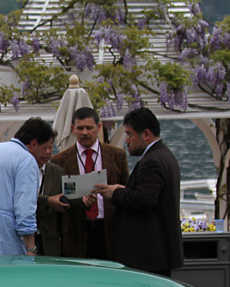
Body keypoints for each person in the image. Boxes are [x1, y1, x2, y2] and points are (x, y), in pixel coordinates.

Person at [93, 107, 183, 276]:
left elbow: (144, 199)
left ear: (146, 134)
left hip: (147, 254)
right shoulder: (165, 155)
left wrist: (115, 193)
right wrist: (125, 190)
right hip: (157, 253)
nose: (127, 140)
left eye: (129, 134)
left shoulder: (152, 161)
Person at [0, 117, 56, 256]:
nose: (48, 153)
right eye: (45, 147)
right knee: (10, 276)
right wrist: (31, 248)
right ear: (33, 144)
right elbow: (25, 207)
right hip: (1, 230)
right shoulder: (26, 160)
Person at [50, 107, 129, 260]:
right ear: (73, 129)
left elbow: (127, 192)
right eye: (80, 128)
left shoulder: (117, 155)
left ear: (98, 128)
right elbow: (57, 199)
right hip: (76, 233)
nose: (85, 132)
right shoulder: (60, 160)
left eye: (89, 128)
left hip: (109, 231)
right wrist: (81, 202)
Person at [35, 154, 65, 257]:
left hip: (50, 239)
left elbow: (65, 197)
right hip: (26, 238)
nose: (47, 152)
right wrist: (47, 201)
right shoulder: (21, 169)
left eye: (50, 147)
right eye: (44, 149)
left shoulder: (56, 171)